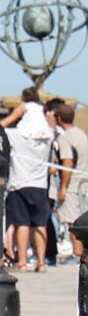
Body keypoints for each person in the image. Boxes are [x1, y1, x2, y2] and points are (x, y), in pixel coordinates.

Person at [3, 88, 54, 271]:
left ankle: (22, 260)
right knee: (40, 224)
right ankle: (41, 262)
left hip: (19, 183)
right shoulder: (47, 135)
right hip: (40, 184)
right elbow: (51, 129)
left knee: (22, 224)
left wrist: (15, 114)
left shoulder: (17, 134)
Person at [55, 102, 88, 258]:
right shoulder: (81, 134)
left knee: (73, 223)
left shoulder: (65, 138)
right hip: (85, 183)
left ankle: (78, 254)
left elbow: (67, 162)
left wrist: (62, 188)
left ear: (58, 118)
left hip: (73, 185)